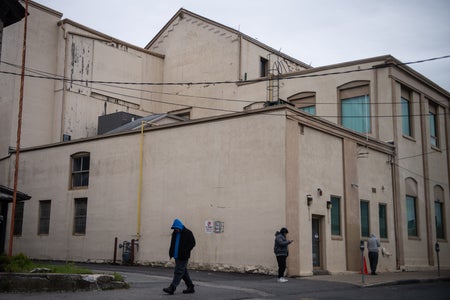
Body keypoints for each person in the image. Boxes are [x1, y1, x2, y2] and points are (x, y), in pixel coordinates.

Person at [163, 218, 196, 295]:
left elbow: (193, 243)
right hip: (176, 256)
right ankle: (190, 286)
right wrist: (171, 253)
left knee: (178, 272)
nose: (176, 229)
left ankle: (172, 288)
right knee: (183, 272)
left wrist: (185, 250)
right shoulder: (175, 233)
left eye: (177, 228)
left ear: (180, 227)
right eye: (175, 228)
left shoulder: (188, 232)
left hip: (183, 256)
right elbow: (173, 244)